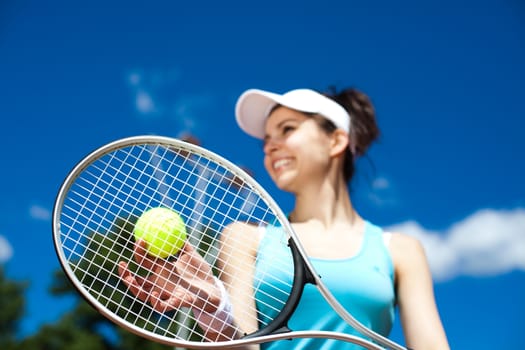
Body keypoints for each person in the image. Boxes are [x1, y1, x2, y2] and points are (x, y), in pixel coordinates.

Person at [119, 86, 450, 350]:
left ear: (336, 140)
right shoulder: (245, 236)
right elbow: (243, 347)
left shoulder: (402, 250)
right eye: (266, 140)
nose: (270, 146)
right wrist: (213, 310)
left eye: (286, 130)